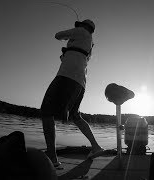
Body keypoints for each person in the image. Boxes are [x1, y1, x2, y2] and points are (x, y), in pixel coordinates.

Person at [40, 19, 103, 167]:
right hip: (80, 82)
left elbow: (58, 35)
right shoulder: (89, 44)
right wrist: (67, 52)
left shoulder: (81, 32)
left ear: (85, 27)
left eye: (80, 25)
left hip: (67, 77)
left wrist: (69, 37)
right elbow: (75, 58)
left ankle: (52, 155)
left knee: (46, 111)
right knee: (75, 115)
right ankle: (95, 147)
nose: (78, 26)